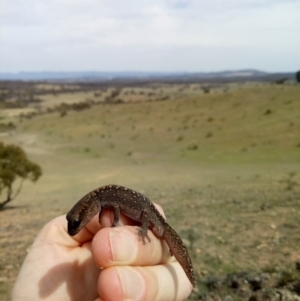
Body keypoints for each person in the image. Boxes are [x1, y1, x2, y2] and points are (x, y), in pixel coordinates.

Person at [11, 204, 193, 301]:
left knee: (159, 232)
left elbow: (115, 206)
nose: (74, 229)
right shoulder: (100, 203)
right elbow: (113, 206)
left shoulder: (103, 202)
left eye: (78, 222)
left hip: (149, 216)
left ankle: (189, 275)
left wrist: (143, 230)